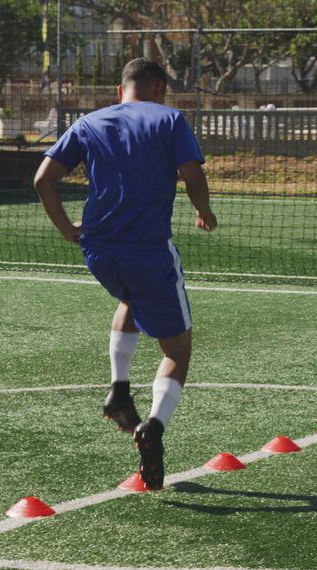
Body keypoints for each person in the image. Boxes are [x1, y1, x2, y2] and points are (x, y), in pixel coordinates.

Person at [33, 58, 217, 490]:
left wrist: (66, 230)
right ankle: (154, 426)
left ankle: (118, 389)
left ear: (121, 89)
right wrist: (205, 212)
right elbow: (193, 175)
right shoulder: (169, 118)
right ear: (158, 88)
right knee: (177, 350)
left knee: (130, 300)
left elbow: (43, 179)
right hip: (148, 251)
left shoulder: (88, 122)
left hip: (98, 251)